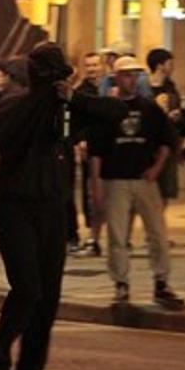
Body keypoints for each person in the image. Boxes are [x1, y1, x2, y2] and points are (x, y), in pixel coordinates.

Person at [0, 44, 126, 370]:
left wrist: (75, 100)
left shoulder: (68, 107)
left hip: (52, 206)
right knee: (27, 287)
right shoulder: (14, 106)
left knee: (49, 294)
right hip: (14, 206)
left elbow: (116, 112)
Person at [89, 56, 185, 311]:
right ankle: (121, 284)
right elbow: (96, 151)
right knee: (118, 236)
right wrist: (96, 185)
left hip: (143, 178)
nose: (131, 80)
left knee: (157, 234)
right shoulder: (107, 109)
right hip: (115, 178)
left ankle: (161, 281)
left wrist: (157, 167)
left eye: (135, 75)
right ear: (116, 77)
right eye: (126, 75)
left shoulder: (149, 108)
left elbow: (167, 139)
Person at [72, 51, 105, 256]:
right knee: (90, 194)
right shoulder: (81, 91)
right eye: (89, 65)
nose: (92, 69)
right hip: (90, 149)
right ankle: (93, 236)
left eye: (95, 65)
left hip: (108, 150)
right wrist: (80, 141)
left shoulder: (109, 89)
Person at [146, 49, 185, 214]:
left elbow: (178, 110)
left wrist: (177, 115)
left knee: (166, 189)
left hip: (168, 143)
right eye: (170, 63)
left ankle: (157, 229)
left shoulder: (171, 87)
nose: (172, 67)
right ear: (160, 65)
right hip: (150, 144)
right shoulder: (145, 88)